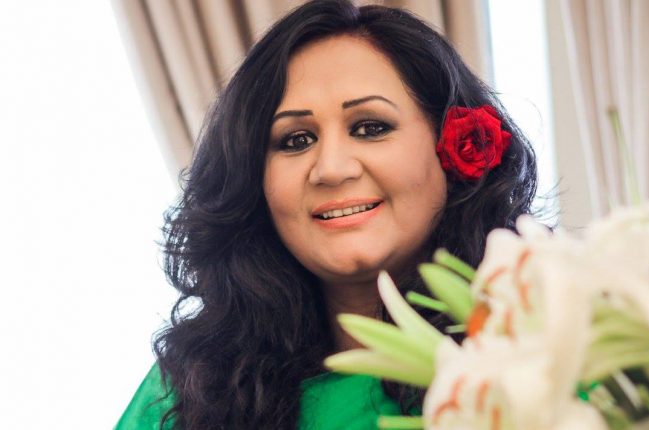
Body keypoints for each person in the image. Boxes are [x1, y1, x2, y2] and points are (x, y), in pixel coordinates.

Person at [116, 0, 537, 428]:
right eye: (296, 140)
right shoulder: (192, 390)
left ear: (454, 145)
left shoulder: (544, 346)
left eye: (370, 128)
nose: (331, 169)